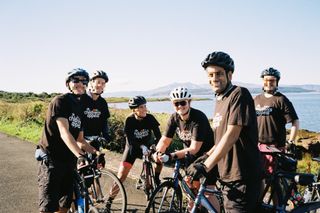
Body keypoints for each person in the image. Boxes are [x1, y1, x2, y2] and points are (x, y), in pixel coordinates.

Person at [187, 51, 262, 213]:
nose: (214, 78)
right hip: (227, 178)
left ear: (230, 74)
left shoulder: (239, 94)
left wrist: (206, 166)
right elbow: (220, 140)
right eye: (211, 74)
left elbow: (232, 134)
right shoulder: (220, 100)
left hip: (243, 178)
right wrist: (204, 157)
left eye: (219, 73)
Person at [37, 68, 99, 213]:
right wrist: (81, 155)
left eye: (84, 81)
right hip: (52, 160)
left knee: (64, 206)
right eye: (75, 80)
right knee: (48, 208)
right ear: (68, 84)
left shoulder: (80, 107)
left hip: (69, 162)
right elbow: (64, 133)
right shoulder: (60, 101)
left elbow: (81, 140)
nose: (80, 83)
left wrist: (96, 153)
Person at [154, 86, 219, 211]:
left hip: (207, 156)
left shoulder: (198, 117)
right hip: (190, 157)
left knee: (208, 193)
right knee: (190, 191)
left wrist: (172, 155)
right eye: (176, 103)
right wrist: (158, 152)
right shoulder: (174, 118)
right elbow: (164, 141)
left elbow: (194, 148)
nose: (180, 106)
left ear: (189, 102)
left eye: (183, 102)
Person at [254, 68, 299, 173]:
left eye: (272, 80)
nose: (268, 83)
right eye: (266, 80)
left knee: (275, 179)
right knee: (259, 178)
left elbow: (295, 121)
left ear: (276, 82)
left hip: (276, 147)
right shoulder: (256, 99)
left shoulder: (281, 99)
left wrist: (291, 141)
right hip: (258, 146)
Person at [114, 96, 162, 193]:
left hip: (148, 147)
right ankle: (109, 202)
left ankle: (156, 178)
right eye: (141, 107)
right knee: (120, 177)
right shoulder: (129, 120)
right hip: (132, 148)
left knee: (159, 160)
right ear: (134, 110)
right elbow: (130, 140)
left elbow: (158, 136)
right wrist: (141, 146)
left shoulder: (150, 118)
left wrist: (155, 146)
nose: (145, 109)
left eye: (145, 106)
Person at [81, 70, 111, 152]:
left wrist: (106, 135)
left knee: (98, 162)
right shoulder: (82, 99)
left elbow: (104, 120)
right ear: (91, 83)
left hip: (96, 139)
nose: (100, 85)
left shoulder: (103, 102)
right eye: (98, 82)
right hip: (81, 140)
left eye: (103, 83)